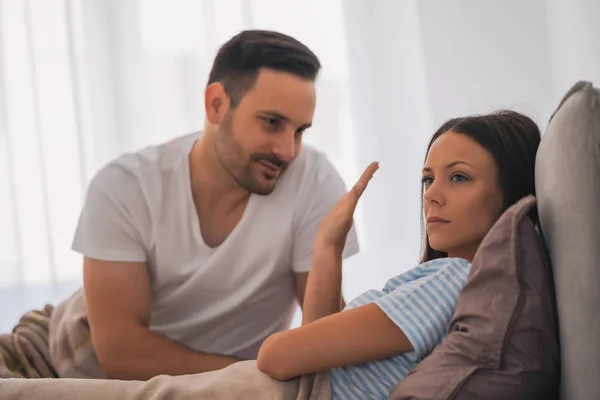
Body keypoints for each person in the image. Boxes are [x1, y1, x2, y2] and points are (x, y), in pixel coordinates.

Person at [72, 30, 359, 380]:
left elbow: (323, 338)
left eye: (299, 131)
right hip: (74, 348)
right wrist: (257, 376)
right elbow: (122, 355)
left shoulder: (313, 180)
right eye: (272, 122)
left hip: (236, 379)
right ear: (216, 105)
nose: (287, 150)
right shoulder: (125, 186)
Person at [257, 110, 541, 399]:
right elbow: (315, 361)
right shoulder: (466, 288)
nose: (431, 195)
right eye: (428, 180)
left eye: (458, 177)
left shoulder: (454, 280)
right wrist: (328, 246)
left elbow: (276, 357)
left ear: (510, 192)